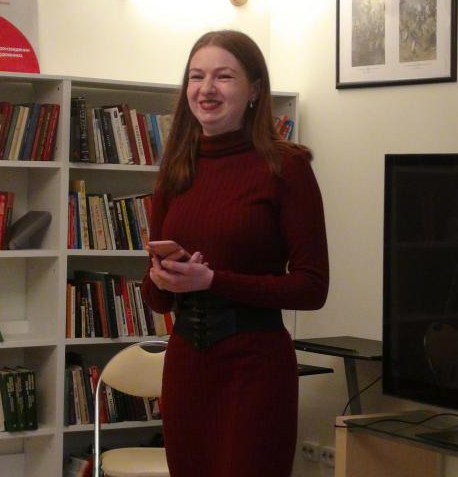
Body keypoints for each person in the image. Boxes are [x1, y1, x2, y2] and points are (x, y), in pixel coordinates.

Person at [140, 30, 329, 477]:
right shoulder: (176, 168)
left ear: (255, 89)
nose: (206, 89)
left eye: (223, 76)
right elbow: (157, 299)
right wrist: (162, 279)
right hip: (186, 367)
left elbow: (312, 287)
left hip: (255, 369)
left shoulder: (287, 166)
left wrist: (214, 281)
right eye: (196, 76)